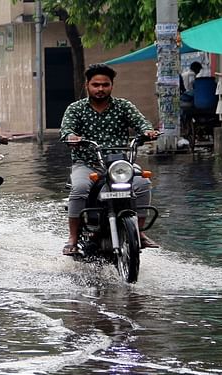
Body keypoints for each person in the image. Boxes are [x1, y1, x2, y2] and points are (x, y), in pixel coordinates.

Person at [59, 63, 160, 255]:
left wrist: (147, 131)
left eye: (105, 85)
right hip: (87, 163)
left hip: (120, 165)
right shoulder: (76, 108)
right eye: (96, 85)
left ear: (111, 85)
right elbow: (67, 129)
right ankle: (72, 237)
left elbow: (141, 122)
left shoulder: (123, 106)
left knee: (142, 183)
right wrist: (71, 137)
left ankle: (139, 232)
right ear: (87, 85)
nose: (100, 89)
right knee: (79, 189)